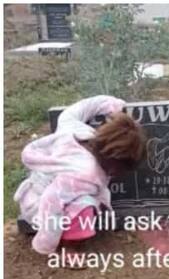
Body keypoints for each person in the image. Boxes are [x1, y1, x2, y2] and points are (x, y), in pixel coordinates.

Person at [16, 95, 146, 259]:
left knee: (79, 198)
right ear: (114, 164)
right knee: (84, 206)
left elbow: (80, 109)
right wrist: (46, 242)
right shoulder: (85, 174)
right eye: (124, 169)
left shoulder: (77, 130)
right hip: (38, 205)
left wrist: (111, 105)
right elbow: (51, 201)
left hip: (45, 190)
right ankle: (70, 248)